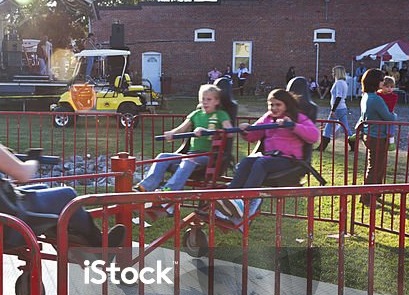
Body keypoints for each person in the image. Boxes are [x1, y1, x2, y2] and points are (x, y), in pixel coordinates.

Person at [0, 84, 125, 248]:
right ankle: (100, 244)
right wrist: (33, 160)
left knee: (43, 188)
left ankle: (72, 238)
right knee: (66, 194)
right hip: (4, 220)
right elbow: (22, 174)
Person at [225, 89, 320, 222]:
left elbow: (314, 136)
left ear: (286, 104)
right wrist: (246, 130)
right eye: (271, 105)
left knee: (261, 163)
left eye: (278, 105)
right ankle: (227, 199)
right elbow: (254, 135)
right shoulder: (268, 118)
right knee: (247, 161)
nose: (274, 108)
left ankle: (244, 202)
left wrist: (292, 126)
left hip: (289, 160)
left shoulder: (298, 117)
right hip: (270, 157)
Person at [135, 84, 233, 201]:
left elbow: (230, 132)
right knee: (162, 157)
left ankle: (169, 192)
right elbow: (181, 129)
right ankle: (145, 187)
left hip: (209, 156)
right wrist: (171, 133)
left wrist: (208, 131)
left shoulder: (221, 115)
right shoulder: (195, 114)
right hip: (191, 154)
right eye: (203, 99)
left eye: (209, 99)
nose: (205, 102)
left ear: (216, 101)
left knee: (188, 159)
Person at [355, 68, 394, 206]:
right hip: (377, 135)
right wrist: (395, 115)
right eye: (382, 80)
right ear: (376, 81)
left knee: (377, 166)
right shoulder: (375, 99)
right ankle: (367, 197)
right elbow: (389, 117)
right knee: (375, 167)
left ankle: (373, 193)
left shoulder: (366, 96)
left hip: (371, 134)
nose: (383, 82)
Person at [318, 65, 354, 152]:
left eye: (334, 72)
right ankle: (353, 144)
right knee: (346, 128)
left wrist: (333, 110)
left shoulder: (338, 83)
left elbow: (338, 97)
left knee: (328, 128)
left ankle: (322, 146)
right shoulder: (343, 83)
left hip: (338, 108)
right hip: (342, 107)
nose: (332, 74)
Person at [378, 74, 399, 150]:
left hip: (389, 112)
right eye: (387, 87)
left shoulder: (393, 96)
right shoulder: (378, 95)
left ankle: (391, 140)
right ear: (382, 86)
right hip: (380, 114)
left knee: (391, 124)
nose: (389, 89)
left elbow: (390, 106)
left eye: (391, 87)